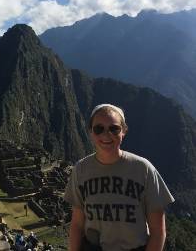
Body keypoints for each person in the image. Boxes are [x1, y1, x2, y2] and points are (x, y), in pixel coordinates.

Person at [64, 104, 174, 251]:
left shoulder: (143, 169)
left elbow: (158, 231)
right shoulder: (81, 170)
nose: (106, 134)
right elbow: (77, 224)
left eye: (114, 128)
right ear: (91, 132)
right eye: (99, 129)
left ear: (124, 131)